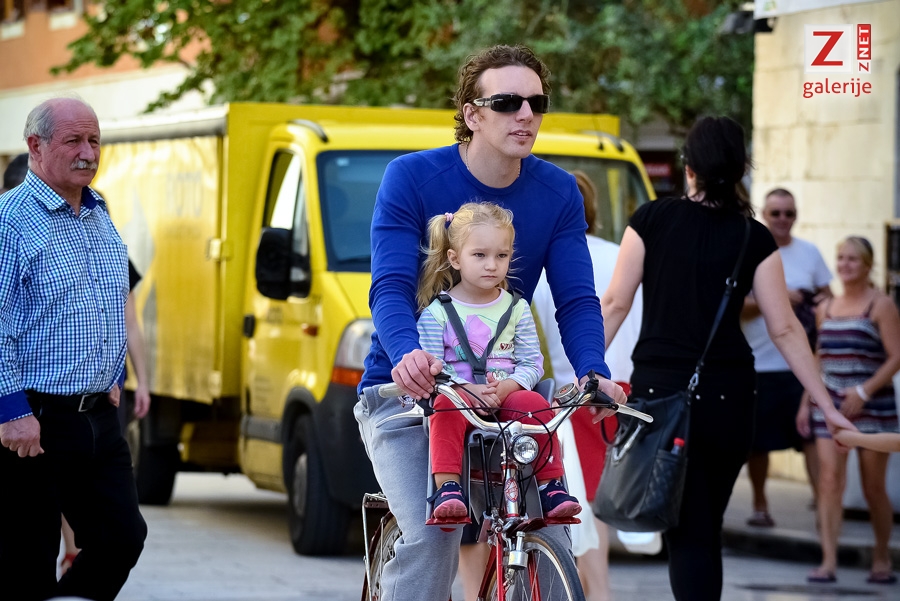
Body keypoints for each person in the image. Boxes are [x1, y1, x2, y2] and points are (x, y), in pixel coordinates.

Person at [354, 45, 625, 601]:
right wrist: (407, 354)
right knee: (434, 534)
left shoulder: (558, 192)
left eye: (537, 103)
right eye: (507, 103)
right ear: (472, 114)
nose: (526, 115)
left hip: (504, 397)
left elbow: (576, 299)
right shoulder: (411, 177)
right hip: (411, 392)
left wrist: (593, 369)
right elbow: (390, 287)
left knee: (552, 532)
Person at [599, 116, 857, 601]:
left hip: (661, 397)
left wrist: (585, 371)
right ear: (740, 170)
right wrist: (827, 403)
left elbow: (615, 303)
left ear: (689, 168)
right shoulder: (752, 236)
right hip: (730, 400)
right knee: (702, 528)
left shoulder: (651, 219)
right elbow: (785, 328)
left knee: (686, 533)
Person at [0, 97, 147, 601]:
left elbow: (108, 302)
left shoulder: (98, 212)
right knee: (27, 563)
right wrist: (11, 410)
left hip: (98, 417)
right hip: (34, 421)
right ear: (35, 146)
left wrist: (113, 375)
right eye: (74, 141)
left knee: (121, 537)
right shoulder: (9, 221)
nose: (88, 152)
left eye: (94, 141)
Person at [417, 201, 581, 521]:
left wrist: (508, 387)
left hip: (504, 395)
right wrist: (467, 390)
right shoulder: (437, 313)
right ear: (455, 258)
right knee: (444, 406)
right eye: (480, 255)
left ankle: (551, 486)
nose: (491, 265)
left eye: (501, 256)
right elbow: (434, 369)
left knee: (535, 403)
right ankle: (448, 488)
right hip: (460, 397)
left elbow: (532, 363)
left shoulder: (516, 308)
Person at [532, 170, 644, 601]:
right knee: (608, 498)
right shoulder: (623, 255)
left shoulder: (542, 266)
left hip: (576, 394)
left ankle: (599, 593)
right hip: (627, 387)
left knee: (583, 504)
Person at [800, 236, 900, 585]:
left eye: (853, 259)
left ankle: (881, 557)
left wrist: (863, 391)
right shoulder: (825, 307)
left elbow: (897, 356)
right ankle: (828, 561)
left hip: (873, 406)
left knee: (873, 487)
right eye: (841, 258)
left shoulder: (881, 305)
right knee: (829, 481)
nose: (845, 265)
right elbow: (818, 356)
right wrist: (806, 402)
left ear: (868, 265)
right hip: (829, 406)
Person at [741, 188, 832, 527]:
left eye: (789, 213)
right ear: (764, 214)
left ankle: (823, 506)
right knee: (757, 443)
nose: (783, 219)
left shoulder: (809, 253)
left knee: (810, 438)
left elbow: (829, 299)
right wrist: (776, 299)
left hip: (799, 365)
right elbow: (735, 306)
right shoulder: (750, 249)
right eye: (776, 213)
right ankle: (760, 505)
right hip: (759, 363)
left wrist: (814, 302)